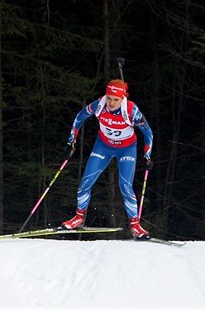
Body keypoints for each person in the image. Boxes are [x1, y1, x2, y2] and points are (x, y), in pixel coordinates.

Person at [61, 79, 154, 239]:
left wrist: (147, 155)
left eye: (115, 99)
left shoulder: (131, 110)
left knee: (125, 186)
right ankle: (79, 218)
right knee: (85, 182)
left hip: (126, 149)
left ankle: (135, 225)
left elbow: (148, 133)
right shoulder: (99, 105)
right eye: (109, 97)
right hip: (103, 146)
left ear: (122, 98)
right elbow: (79, 117)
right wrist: (71, 142)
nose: (111, 102)